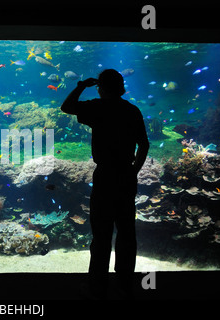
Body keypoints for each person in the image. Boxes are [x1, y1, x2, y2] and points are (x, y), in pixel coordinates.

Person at [60, 69, 149, 298]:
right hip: (126, 177)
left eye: (99, 86)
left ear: (100, 87)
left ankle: (98, 286)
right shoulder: (132, 110)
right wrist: (134, 171)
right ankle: (125, 284)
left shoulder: (97, 107)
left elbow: (67, 107)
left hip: (105, 177)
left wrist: (81, 86)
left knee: (101, 235)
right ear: (120, 87)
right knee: (127, 232)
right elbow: (144, 145)